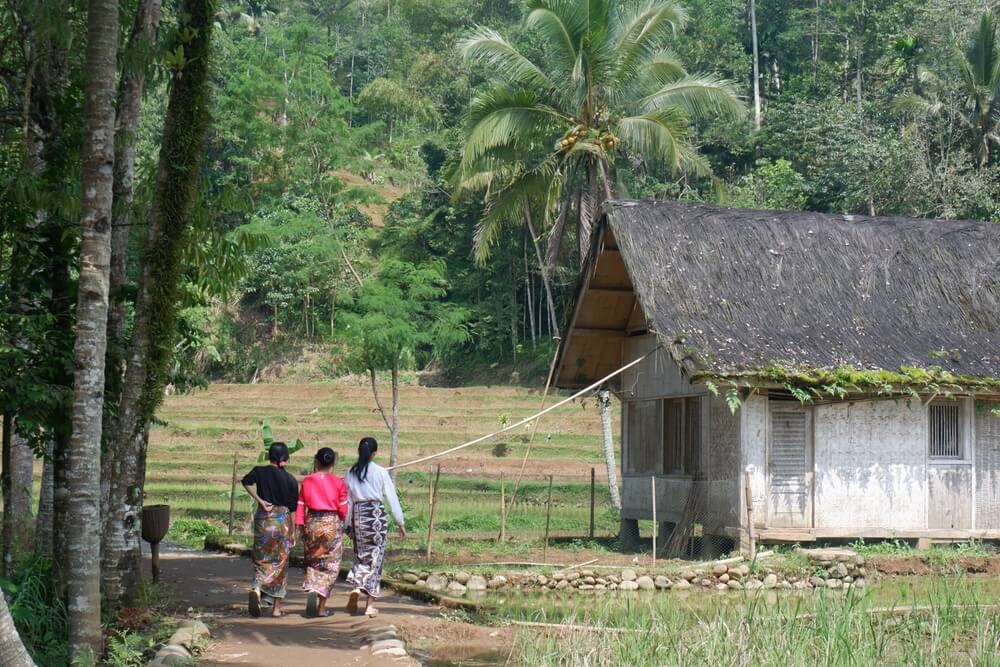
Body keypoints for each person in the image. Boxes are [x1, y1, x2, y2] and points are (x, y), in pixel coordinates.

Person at [344, 436, 405, 617]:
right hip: (377, 517)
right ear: (374, 453)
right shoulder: (380, 471)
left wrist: (346, 525)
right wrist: (400, 522)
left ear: (358, 451)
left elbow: (347, 502)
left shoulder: (350, 473)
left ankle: (357, 587)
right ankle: (369, 605)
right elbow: (392, 498)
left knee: (361, 556)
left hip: (359, 516)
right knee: (376, 559)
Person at [242, 442, 298, 618]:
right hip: (283, 520)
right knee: (280, 563)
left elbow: (246, 482)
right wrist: (293, 532)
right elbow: (294, 509)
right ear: (283, 460)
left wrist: (259, 499)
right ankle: (276, 608)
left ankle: (257, 589)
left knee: (261, 558)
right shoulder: (290, 480)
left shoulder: (259, 471)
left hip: (264, 520)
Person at [295, 447, 349, 617]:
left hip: (312, 522)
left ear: (316, 462)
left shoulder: (307, 481)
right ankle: (321, 607)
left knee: (312, 559)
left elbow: (300, 506)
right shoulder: (339, 483)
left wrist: (301, 526)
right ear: (333, 463)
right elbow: (343, 510)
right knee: (331, 565)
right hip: (331, 523)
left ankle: (311, 585)